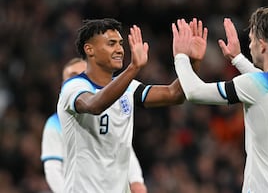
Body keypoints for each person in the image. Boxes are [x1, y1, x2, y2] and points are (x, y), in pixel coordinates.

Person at [172, 7, 268, 192]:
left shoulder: (257, 86)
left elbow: (194, 91)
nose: (249, 46)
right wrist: (237, 59)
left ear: (262, 44)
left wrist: (180, 56)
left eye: (251, 41)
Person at [57, 18, 206, 192]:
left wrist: (193, 62)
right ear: (89, 49)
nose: (120, 49)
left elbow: (175, 95)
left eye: (120, 44)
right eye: (111, 43)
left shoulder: (128, 87)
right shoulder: (73, 87)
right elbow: (95, 105)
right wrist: (133, 68)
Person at [41, 58, 147, 193]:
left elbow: (123, 148)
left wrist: (136, 181)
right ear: (63, 85)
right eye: (73, 76)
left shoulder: (109, 113)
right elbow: (53, 168)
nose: (79, 81)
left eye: (84, 74)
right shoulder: (54, 124)